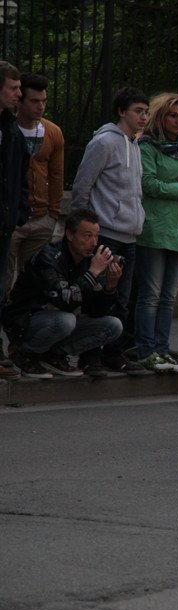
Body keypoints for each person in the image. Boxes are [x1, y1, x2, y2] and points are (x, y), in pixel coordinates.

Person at [70, 86, 149, 376]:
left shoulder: (135, 144)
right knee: (98, 297)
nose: (144, 117)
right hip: (107, 234)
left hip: (130, 235)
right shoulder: (104, 142)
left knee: (122, 301)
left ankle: (114, 354)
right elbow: (83, 185)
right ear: (121, 111)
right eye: (138, 111)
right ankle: (90, 357)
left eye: (146, 112)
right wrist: (85, 229)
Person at [3, 209, 123, 379]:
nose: (93, 243)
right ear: (69, 234)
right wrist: (92, 273)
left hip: (59, 322)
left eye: (96, 237)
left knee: (113, 325)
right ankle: (24, 354)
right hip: (25, 321)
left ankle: (54, 355)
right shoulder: (48, 256)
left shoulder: (90, 261)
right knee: (66, 320)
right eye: (87, 236)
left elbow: (96, 312)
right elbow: (65, 301)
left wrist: (110, 287)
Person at [134, 93, 178, 373]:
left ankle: (163, 349)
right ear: (160, 117)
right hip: (155, 229)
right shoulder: (147, 146)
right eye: (173, 115)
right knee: (150, 295)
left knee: (168, 298)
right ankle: (146, 350)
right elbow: (149, 184)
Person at [5, 72, 62, 300]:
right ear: (20, 101)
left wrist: (53, 213)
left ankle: (24, 320)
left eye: (44, 101)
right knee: (5, 279)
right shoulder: (8, 129)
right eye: (35, 101)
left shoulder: (53, 132)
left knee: (33, 281)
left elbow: (57, 176)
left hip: (41, 217)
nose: (41, 106)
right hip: (12, 217)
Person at [0, 61, 29, 378]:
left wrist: (18, 212)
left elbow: (21, 175)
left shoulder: (12, 130)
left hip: (4, 224)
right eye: (13, 88)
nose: (19, 95)